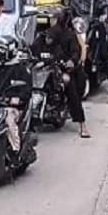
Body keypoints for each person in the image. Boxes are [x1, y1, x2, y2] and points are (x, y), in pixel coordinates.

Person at [32, 9, 89, 138]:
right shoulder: (43, 34)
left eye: (53, 19)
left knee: (69, 85)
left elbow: (75, 52)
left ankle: (82, 124)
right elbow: (33, 48)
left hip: (62, 68)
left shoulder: (69, 35)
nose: (51, 21)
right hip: (43, 67)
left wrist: (71, 62)